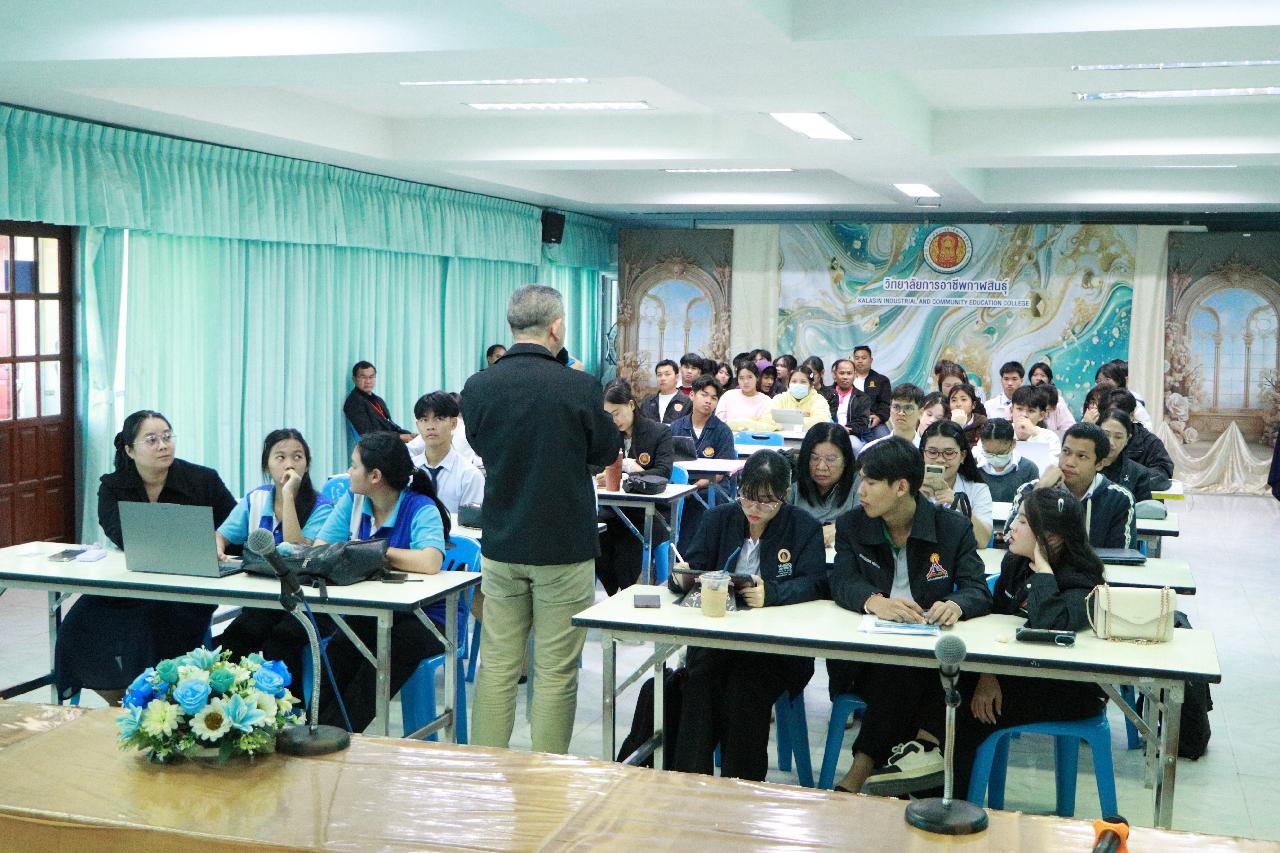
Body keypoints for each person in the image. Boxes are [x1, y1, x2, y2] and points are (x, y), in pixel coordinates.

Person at [462, 285, 621, 754]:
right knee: (554, 670)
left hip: (502, 540)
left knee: (496, 664)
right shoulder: (578, 386)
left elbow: (481, 445)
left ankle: (487, 768)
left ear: (513, 325)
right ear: (556, 327)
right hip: (563, 545)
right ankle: (545, 778)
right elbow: (606, 451)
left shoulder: (478, 386)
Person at [867, 488, 1107, 798]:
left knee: (967, 707)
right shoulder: (1015, 563)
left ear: (1052, 536)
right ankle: (926, 766)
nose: (1011, 527)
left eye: (1023, 521)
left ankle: (940, 789)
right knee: (937, 682)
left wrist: (1044, 571)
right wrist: (987, 674)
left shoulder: (1084, 579)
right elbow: (994, 623)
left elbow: (1050, 623)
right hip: (1015, 674)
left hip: (1066, 687)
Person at [828, 438, 991, 793]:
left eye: (871, 482)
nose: (861, 491)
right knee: (910, 674)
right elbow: (841, 581)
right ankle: (922, 756)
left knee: (929, 673)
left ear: (901, 487)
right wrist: (875, 601)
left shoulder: (951, 528)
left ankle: (865, 771)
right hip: (867, 658)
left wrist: (956, 604)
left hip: (928, 651)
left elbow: (977, 588)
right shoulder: (852, 525)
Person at [54, 410, 237, 706]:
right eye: (151, 440)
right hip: (131, 581)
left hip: (187, 587)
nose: (163, 445)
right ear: (130, 450)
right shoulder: (114, 486)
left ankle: (154, 701)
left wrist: (218, 541)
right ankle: (121, 700)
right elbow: (118, 532)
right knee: (76, 625)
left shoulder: (203, 480)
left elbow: (234, 527)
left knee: (147, 628)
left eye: (167, 437)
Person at [669, 450, 827, 781]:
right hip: (718, 641)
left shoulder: (804, 528)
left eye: (767, 501)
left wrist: (773, 593)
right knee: (698, 685)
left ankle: (741, 788)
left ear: (785, 495)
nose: (755, 508)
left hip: (776, 650)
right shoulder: (718, 519)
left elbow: (816, 583)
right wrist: (680, 577)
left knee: (744, 691)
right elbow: (691, 567)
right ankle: (690, 783)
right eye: (748, 497)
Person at [311, 432, 455, 732]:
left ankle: (338, 734)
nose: (349, 472)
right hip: (376, 609)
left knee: (385, 655)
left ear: (375, 476)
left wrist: (374, 552)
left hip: (426, 618)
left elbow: (430, 561)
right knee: (340, 648)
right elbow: (321, 547)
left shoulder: (420, 507)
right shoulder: (353, 502)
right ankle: (314, 729)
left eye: (354, 466)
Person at [215, 429, 334, 690]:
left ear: (307, 464)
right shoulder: (255, 499)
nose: (289, 464)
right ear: (266, 465)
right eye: (280, 457)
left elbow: (296, 549)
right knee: (237, 638)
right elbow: (221, 535)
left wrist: (288, 495)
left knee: (280, 643)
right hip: (264, 600)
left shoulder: (322, 507)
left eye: (297, 457)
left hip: (307, 604)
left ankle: (290, 708)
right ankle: (233, 705)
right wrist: (218, 545)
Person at [595, 379, 674, 594]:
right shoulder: (609, 435)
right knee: (596, 536)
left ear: (631, 405)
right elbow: (596, 464)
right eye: (608, 415)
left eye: (617, 413)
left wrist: (630, 472)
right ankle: (613, 592)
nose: (614, 420)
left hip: (650, 513)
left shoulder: (659, 432)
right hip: (614, 510)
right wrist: (601, 475)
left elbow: (663, 472)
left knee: (627, 545)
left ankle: (627, 592)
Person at [1005, 423, 1137, 549]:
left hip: (1092, 566)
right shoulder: (1030, 489)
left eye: (1081, 456)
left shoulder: (1119, 499)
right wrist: (1040, 491)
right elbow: (1008, 538)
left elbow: (1121, 556)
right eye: (1066, 452)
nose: (1069, 462)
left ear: (1100, 464)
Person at [672, 375, 738, 553]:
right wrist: (683, 488)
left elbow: (722, 472)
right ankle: (670, 553)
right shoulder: (676, 427)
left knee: (698, 501)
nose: (708, 401)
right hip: (680, 485)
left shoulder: (723, 431)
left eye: (714, 398)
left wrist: (694, 487)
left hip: (712, 486)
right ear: (692, 395)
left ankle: (690, 555)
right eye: (704, 395)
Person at [406, 391, 485, 514]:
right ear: (418, 425)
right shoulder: (406, 472)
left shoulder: (470, 476)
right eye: (424, 419)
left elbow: (470, 523)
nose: (430, 426)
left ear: (453, 423)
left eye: (439, 419)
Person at [920, 419, 993, 546]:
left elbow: (983, 541)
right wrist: (914, 501)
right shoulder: (909, 487)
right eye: (932, 452)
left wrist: (961, 505)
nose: (940, 459)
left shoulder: (977, 489)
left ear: (963, 456)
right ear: (923, 454)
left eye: (949, 453)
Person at [790, 421, 860, 546]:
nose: (821, 467)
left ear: (846, 460)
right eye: (814, 458)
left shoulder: (859, 483)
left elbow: (863, 524)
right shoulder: (793, 480)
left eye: (830, 460)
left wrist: (836, 529)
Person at [1103, 388, 1175, 483]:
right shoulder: (1095, 437)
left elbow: (1163, 474)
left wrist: (1128, 476)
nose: (1114, 420)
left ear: (1131, 415)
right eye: (1110, 414)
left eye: (1119, 416)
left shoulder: (1149, 442)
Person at [343, 361, 413, 441]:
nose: (368, 381)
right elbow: (368, 435)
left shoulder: (378, 400)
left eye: (371, 377)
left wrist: (409, 434)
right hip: (378, 446)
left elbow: (390, 425)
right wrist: (400, 437)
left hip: (391, 441)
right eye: (363, 377)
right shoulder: (354, 402)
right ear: (354, 379)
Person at [975, 418, 1040, 503]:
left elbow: (1033, 505)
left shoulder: (1029, 469)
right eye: (989, 453)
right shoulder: (973, 466)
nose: (995, 458)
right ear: (982, 445)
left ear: (1013, 444)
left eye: (1001, 453)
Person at [1097, 409, 1155, 503]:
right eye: (1106, 435)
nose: (1111, 442)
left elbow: (1143, 509)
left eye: (1118, 437)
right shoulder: (1084, 465)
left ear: (1127, 439)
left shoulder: (1138, 473)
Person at [859, 383, 925, 455]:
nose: (901, 413)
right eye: (896, 407)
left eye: (908, 408)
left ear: (920, 413)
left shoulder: (926, 451)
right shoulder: (871, 450)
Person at [768, 365, 832, 431]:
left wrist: (785, 419)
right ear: (788, 383)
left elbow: (821, 423)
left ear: (811, 385)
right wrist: (799, 417)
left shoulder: (819, 401)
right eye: (794, 381)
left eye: (803, 382)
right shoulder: (780, 398)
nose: (798, 385)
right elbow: (767, 418)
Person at [715, 362, 773, 431]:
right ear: (737, 379)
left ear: (757, 378)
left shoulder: (766, 401)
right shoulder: (728, 396)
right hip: (729, 436)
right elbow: (718, 423)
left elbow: (768, 426)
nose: (745, 381)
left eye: (750, 377)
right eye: (741, 378)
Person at [1094, 359, 1153, 429]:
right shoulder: (1094, 401)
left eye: (1107, 379)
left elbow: (1147, 427)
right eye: (1099, 380)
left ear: (1118, 381)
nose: (1102, 383)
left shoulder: (1131, 401)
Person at [1010, 384, 1061, 463]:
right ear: (1011, 410)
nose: (1024, 415)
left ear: (1041, 415)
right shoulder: (1000, 433)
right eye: (1019, 409)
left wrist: (1035, 435)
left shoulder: (1050, 438)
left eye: (1031, 411)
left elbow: (1050, 466)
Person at [830, 358, 875, 448]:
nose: (845, 377)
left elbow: (862, 421)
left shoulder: (862, 398)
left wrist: (843, 430)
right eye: (842, 373)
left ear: (855, 375)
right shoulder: (824, 394)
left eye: (849, 373)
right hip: (828, 432)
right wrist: (835, 428)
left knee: (855, 446)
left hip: (850, 435)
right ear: (835, 374)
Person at [850, 346, 893, 439]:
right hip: (850, 423)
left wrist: (879, 417)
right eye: (857, 358)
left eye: (863, 358)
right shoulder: (846, 379)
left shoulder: (881, 380)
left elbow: (885, 404)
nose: (860, 361)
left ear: (871, 360)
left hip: (873, 423)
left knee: (886, 441)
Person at [1029, 362, 1076, 436]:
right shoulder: (1025, 398)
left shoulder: (1059, 402)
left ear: (1049, 379)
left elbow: (1069, 429)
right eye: (1035, 375)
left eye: (1043, 375)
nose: (1038, 378)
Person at [640, 359, 693, 424]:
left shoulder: (687, 402)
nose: (662, 378)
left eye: (667, 374)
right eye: (659, 375)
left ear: (676, 377)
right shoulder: (648, 401)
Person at [946, 382, 987, 447]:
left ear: (973, 405)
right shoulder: (944, 425)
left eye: (963, 399)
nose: (958, 404)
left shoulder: (983, 424)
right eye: (954, 400)